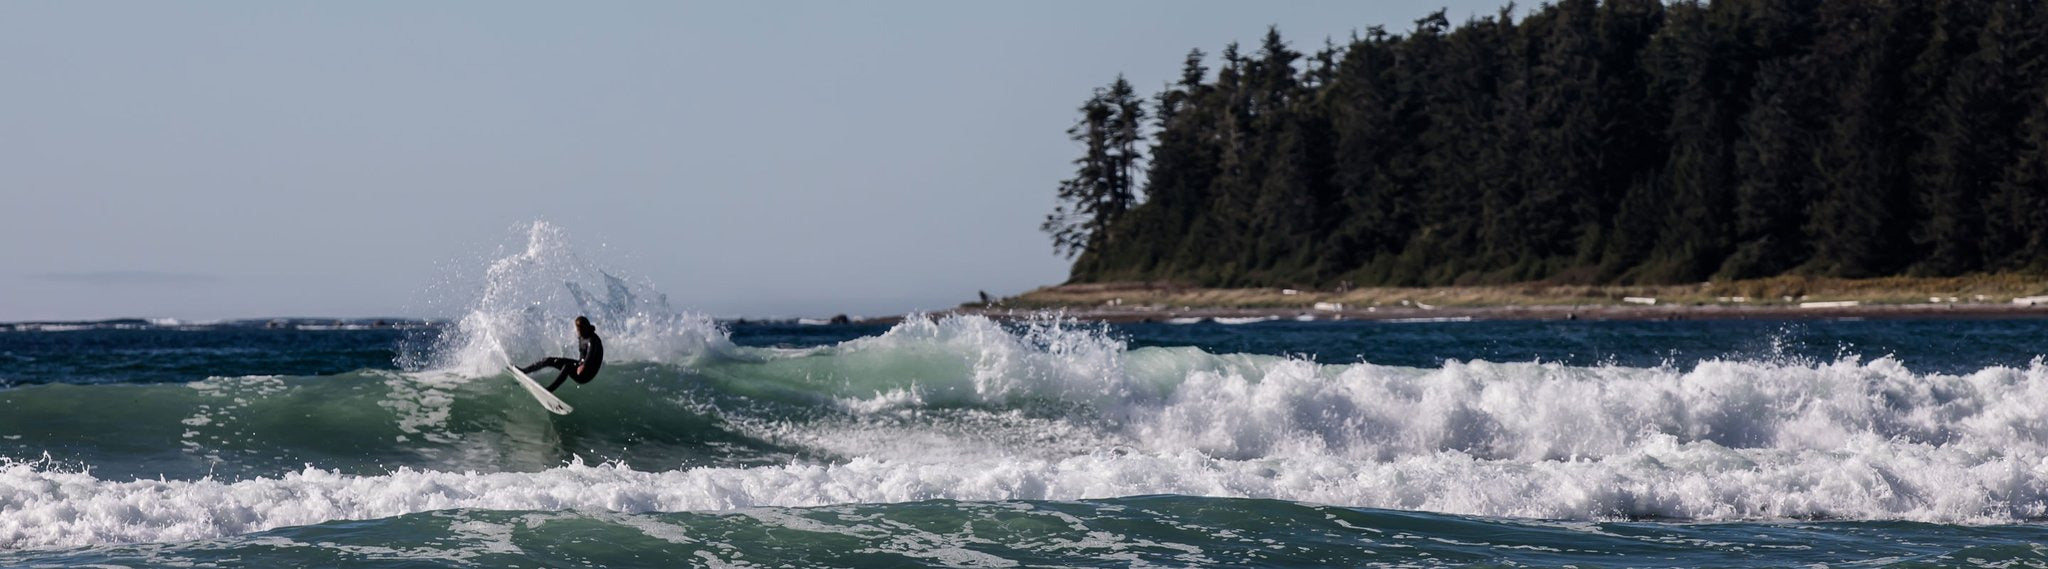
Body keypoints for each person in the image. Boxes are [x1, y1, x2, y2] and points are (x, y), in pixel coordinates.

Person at [520, 316, 604, 392]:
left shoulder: (592, 340)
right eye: (578, 330)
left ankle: (549, 389)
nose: (578, 332)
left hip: (587, 373)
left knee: (567, 367)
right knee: (549, 360)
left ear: (585, 328)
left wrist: (584, 365)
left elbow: (591, 353)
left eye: (580, 330)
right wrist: (581, 364)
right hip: (580, 364)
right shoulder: (581, 336)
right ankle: (525, 371)